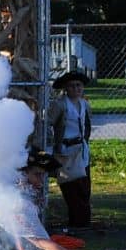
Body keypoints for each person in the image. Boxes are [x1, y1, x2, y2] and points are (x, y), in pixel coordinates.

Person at [48, 69, 94, 230]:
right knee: (71, 187)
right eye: (72, 86)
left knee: (84, 186)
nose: (76, 89)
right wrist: (54, 147)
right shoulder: (60, 105)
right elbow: (49, 124)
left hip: (81, 149)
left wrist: (85, 142)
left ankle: (83, 221)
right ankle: (77, 222)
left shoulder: (85, 104)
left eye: (79, 85)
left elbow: (87, 126)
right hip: (66, 150)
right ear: (66, 88)